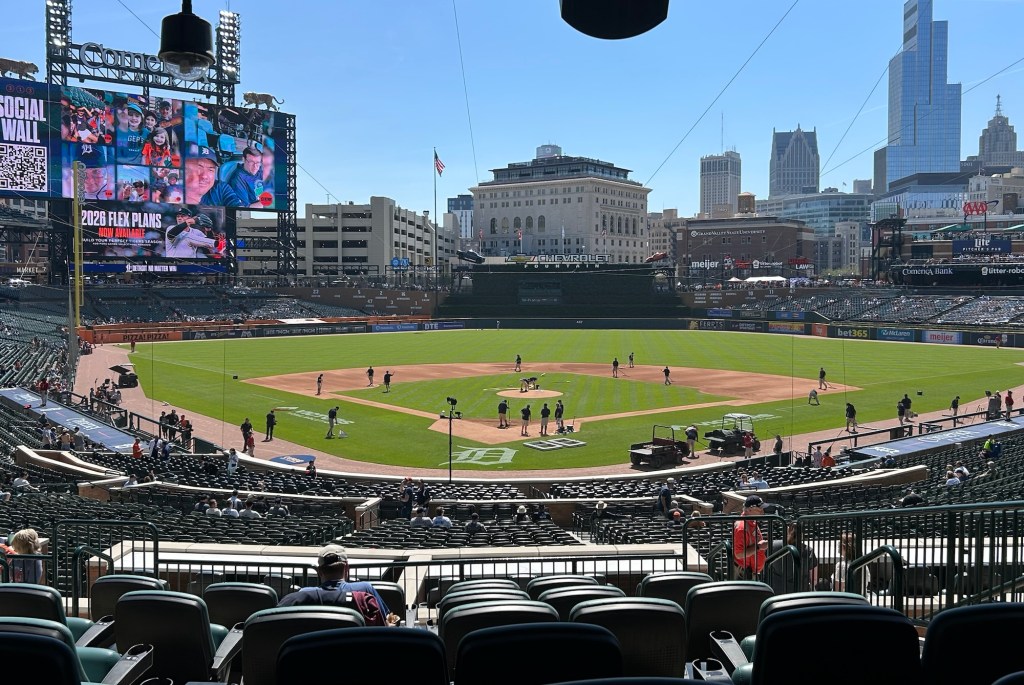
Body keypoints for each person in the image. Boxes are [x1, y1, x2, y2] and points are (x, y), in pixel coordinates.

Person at [277, 545, 397, 625]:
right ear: (347, 567)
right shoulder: (365, 590)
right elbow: (387, 622)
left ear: (319, 571)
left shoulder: (303, 594)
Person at [764, 522, 818, 594]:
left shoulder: (773, 546)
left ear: (788, 531)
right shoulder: (808, 550)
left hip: (776, 592)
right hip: (800, 593)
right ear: (802, 534)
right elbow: (814, 579)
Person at [733, 496, 768, 579]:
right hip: (743, 574)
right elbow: (739, 554)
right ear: (749, 509)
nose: (762, 512)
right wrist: (759, 546)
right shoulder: (742, 527)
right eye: (760, 509)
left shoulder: (752, 521)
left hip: (750, 572)